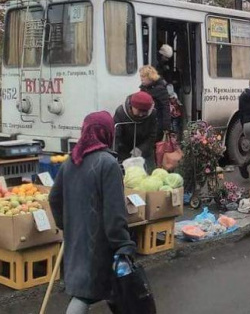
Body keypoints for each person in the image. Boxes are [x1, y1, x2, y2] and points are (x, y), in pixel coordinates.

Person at [50, 112, 137, 312]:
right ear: (107, 133)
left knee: (89, 291)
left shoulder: (72, 160)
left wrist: (67, 225)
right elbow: (115, 212)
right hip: (100, 243)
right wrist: (123, 243)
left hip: (77, 240)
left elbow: (54, 198)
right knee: (92, 294)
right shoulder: (108, 164)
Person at [113, 92, 158, 171]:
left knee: (148, 174)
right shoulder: (121, 112)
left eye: (145, 111)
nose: (141, 115)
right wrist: (113, 155)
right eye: (139, 110)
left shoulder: (152, 113)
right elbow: (116, 137)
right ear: (131, 106)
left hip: (144, 150)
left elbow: (152, 135)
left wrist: (140, 149)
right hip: (124, 149)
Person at [139, 65, 171, 139]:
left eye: (143, 77)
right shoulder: (143, 88)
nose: (141, 79)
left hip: (156, 123)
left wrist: (166, 127)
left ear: (150, 77)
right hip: (145, 122)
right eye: (141, 76)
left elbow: (165, 107)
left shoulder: (160, 89)